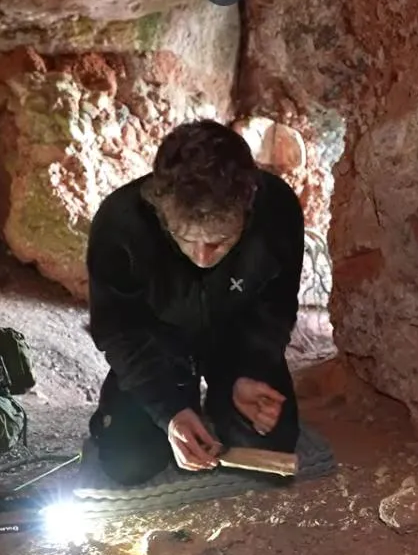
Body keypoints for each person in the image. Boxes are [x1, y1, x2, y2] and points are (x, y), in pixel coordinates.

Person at [86, 119, 306, 485]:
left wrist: (248, 371)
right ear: (159, 210)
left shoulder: (277, 211)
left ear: (248, 209)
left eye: (220, 242)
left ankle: (221, 397)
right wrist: (169, 410)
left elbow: (276, 309)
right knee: (129, 460)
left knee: (268, 448)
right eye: (186, 239)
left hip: (235, 339)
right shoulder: (120, 223)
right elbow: (118, 330)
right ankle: (172, 401)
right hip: (160, 344)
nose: (203, 257)